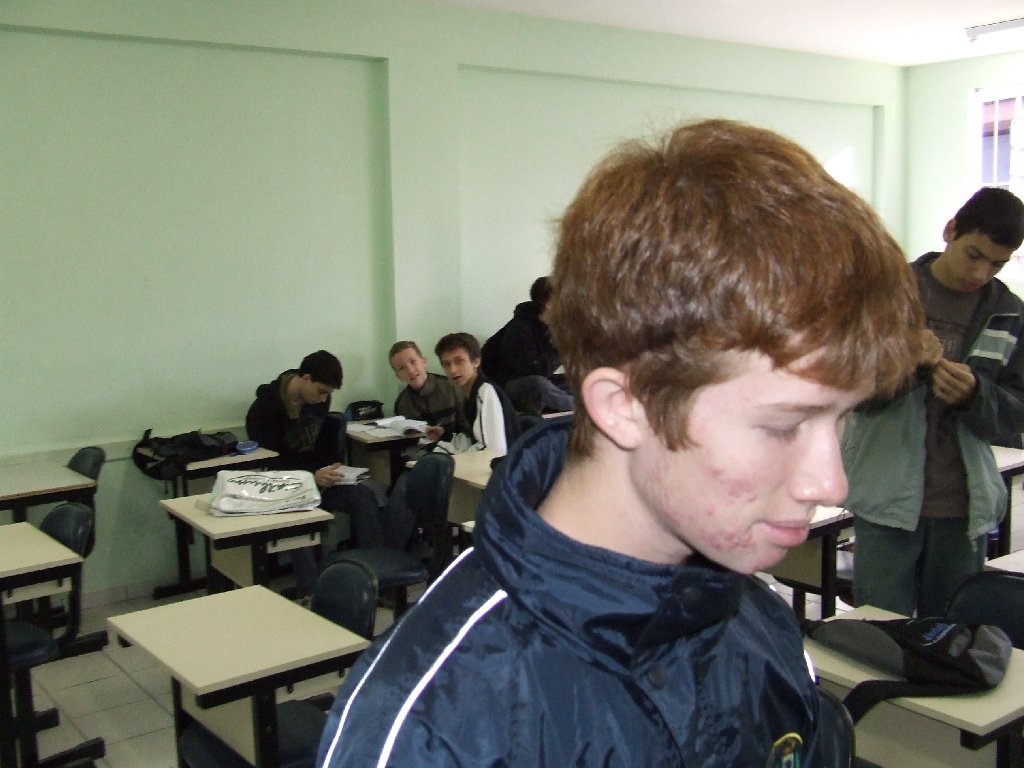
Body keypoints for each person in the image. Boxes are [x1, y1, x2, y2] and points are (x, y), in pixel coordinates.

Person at [316, 119, 920, 767]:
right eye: (781, 426)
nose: (831, 483)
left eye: (842, 420)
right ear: (625, 406)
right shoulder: (429, 731)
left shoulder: (759, 622)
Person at [843, 187, 1024, 618]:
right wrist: (904, 364)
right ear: (950, 230)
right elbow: (848, 388)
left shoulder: (1010, 314)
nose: (980, 272)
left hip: (965, 507)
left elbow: (1017, 414)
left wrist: (976, 396)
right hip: (886, 500)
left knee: (951, 635)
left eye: (997, 264)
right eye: (973, 255)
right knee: (881, 634)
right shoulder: (887, 294)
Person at [245, 350, 380, 597]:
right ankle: (312, 593)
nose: (324, 399)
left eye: (328, 393)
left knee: (364, 496)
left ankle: (370, 577)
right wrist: (310, 476)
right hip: (286, 488)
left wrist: (332, 468)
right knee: (301, 516)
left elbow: (321, 446)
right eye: (321, 391)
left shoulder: (320, 401)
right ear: (305, 378)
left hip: (319, 478)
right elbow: (270, 469)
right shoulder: (262, 410)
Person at [481, 276, 575, 416]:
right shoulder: (520, 328)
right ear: (548, 303)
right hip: (504, 384)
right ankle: (580, 408)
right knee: (539, 384)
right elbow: (537, 370)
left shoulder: (551, 325)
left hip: (533, 378)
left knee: (572, 380)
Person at [434, 332, 518, 456]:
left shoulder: (485, 391)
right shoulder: (470, 394)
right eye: (447, 364)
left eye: (459, 361)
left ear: (476, 361)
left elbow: (493, 451)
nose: (452, 370)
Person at [388, 340, 465, 442]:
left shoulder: (452, 387)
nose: (410, 370)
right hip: (423, 450)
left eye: (413, 362)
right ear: (398, 376)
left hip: (458, 446)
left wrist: (445, 434)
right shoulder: (402, 404)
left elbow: (469, 427)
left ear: (424, 362)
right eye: (402, 368)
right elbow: (406, 441)